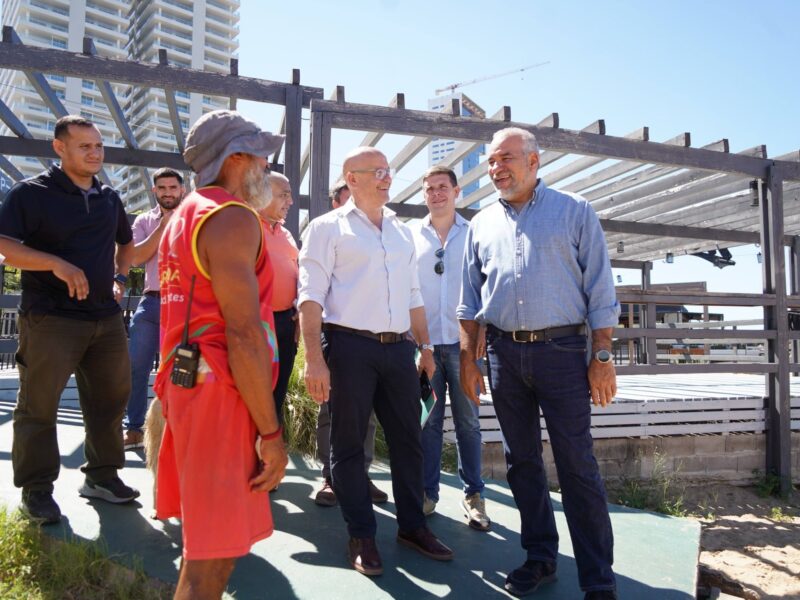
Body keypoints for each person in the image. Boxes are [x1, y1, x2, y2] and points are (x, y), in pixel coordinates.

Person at [458, 127, 620, 600]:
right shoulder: (481, 224)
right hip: (504, 355)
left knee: (576, 463)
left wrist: (602, 357)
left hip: (564, 353)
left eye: (505, 158)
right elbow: (470, 302)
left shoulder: (575, 211)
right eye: (490, 161)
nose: (496, 168)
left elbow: (601, 291)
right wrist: (470, 362)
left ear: (534, 161)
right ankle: (540, 557)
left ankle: (598, 577)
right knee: (521, 462)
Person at [299, 147, 453, 576]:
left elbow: (413, 296)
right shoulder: (326, 228)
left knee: (409, 441)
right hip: (348, 348)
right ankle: (362, 534)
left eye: (390, 171)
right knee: (348, 446)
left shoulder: (401, 233)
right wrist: (314, 359)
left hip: (398, 350)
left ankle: (411, 527)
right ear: (352, 178)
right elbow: (309, 296)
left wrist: (424, 348)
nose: (388, 178)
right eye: (379, 171)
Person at [154, 109, 288, 599]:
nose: (268, 166)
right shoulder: (230, 217)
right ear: (236, 158)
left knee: (207, 549)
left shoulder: (185, 213)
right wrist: (271, 433)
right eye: (262, 154)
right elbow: (245, 334)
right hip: (220, 395)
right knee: (211, 561)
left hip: (189, 386)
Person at [0, 115, 139, 525]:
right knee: (38, 406)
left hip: (105, 319)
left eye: (99, 146)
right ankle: (37, 489)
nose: (95, 153)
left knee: (110, 400)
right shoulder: (31, 193)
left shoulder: (109, 198)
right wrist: (56, 264)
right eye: (85, 147)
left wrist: (117, 277)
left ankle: (101, 475)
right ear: (60, 148)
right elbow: (6, 247)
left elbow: (127, 246)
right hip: (50, 317)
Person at [411, 166, 489, 531]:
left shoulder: (475, 234)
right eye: (430, 189)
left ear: (457, 191)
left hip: (463, 348)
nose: (436, 194)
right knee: (427, 422)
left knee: (469, 424)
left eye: (443, 187)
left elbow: (486, 288)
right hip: (424, 346)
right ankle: (427, 493)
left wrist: (480, 337)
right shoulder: (411, 235)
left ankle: (474, 495)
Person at [313, 178, 385, 507]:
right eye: (349, 199)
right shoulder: (324, 233)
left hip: (374, 342)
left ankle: (360, 475)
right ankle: (330, 477)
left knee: (366, 414)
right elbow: (311, 293)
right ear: (336, 204)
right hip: (336, 338)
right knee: (330, 410)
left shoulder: (381, 235)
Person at [122, 168, 185, 450]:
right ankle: (134, 428)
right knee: (136, 363)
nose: (168, 192)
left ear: (182, 190)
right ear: (154, 191)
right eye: (163, 188)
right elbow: (135, 257)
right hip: (152, 301)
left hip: (185, 304)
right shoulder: (145, 221)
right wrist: (163, 225)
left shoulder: (194, 218)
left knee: (184, 368)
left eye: (173, 187)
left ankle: (180, 427)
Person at [258, 172, 299, 424]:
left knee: (277, 396)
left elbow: (298, 273)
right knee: (256, 397)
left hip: (286, 323)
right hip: (257, 324)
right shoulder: (246, 226)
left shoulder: (286, 233)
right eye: (284, 194)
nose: (290, 201)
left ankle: (267, 455)